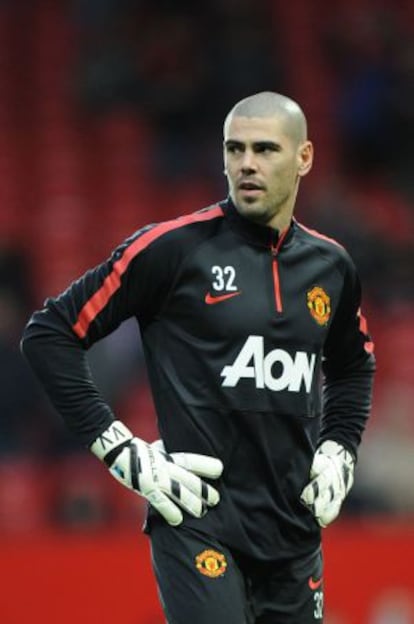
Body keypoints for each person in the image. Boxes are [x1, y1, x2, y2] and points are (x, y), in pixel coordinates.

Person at [21, 91, 375, 623]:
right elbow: (49, 334)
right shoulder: (171, 249)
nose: (247, 163)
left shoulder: (332, 266)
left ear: (304, 158)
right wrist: (118, 450)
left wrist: (340, 448)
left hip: (294, 531)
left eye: (265, 149)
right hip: (196, 517)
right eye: (235, 149)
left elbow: (352, 366)